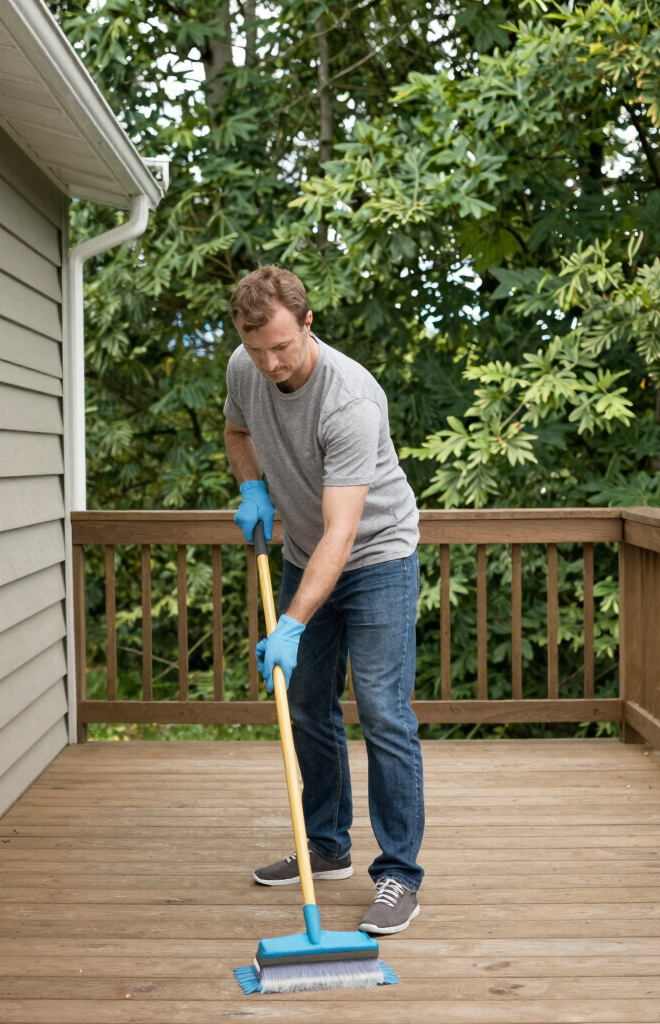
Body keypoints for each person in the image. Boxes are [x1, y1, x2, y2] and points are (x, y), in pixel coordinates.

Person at [222, 264, 424, 934]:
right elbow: (238, 431)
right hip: (307, 555)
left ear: (308, 323)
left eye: (283, 346)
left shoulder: (350, 401)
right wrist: (252, 488)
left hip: (374, 557)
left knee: (382, 710)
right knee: (306, 701)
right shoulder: (244, 368)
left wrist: (291, 623)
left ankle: (399, 875)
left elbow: (344, 532)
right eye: (259, 350)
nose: (271, 363)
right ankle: (327, 847)